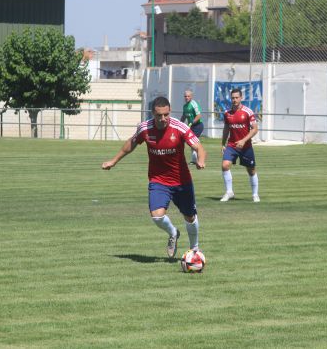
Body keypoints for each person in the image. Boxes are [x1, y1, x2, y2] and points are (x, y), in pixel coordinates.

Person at [102, 96, 206, 258]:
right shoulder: (145, 128)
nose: (163, 119)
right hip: (159, 180)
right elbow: (132, 143)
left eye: (166, 114)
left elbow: (199, 146)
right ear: (153, 113)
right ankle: (173, 233)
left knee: (190, 217)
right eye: (159, 115)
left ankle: (195, 250)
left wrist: (200, 160)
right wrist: (113, 161)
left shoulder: (180, 127)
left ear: (169, 111)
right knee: (157, 216)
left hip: (182, 181)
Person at [220, 88, 260, 203]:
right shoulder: (227, 113)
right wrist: (223, 143)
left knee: (251, 170)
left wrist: (243, 140)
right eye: (233, 98)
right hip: (232, 145)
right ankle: (229, 192)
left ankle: (255, 194)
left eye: (237, 97)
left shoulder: (248, 112)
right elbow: (226, 129)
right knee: (225, 165)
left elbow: (255, 129)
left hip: (246, 146)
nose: (234, 100)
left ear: (241, 98)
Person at [180, 89, 204, 164]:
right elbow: (184, 116)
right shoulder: (185, 106)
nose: (186, 97)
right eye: (185, 96)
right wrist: (179, 124)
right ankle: (194, 159)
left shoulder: (194, 104)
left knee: (192, 141)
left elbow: (199, 115)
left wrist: (192, 122)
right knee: (189, 141)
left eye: (188, 96)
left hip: (198, 125)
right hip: (191, 126)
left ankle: (198, 157)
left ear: (191, 97)